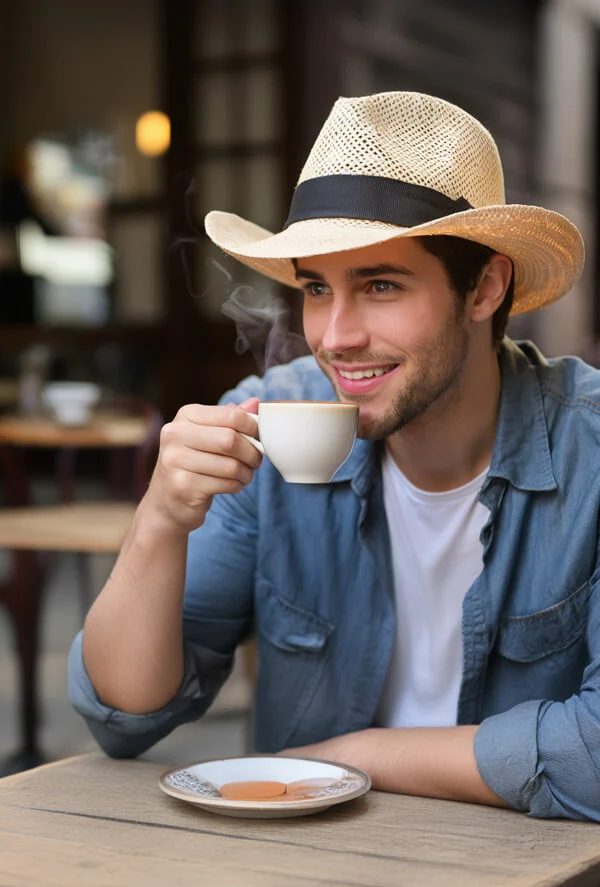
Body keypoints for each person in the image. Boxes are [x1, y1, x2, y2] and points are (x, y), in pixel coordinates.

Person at [68, 91, 596, 821]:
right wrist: (158, 521)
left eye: (380, 284)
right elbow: (124, 717)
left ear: (485, 287)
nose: (336, 336)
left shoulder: (589, 451)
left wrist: (361, 755)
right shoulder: (271, 420)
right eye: (317, 287)